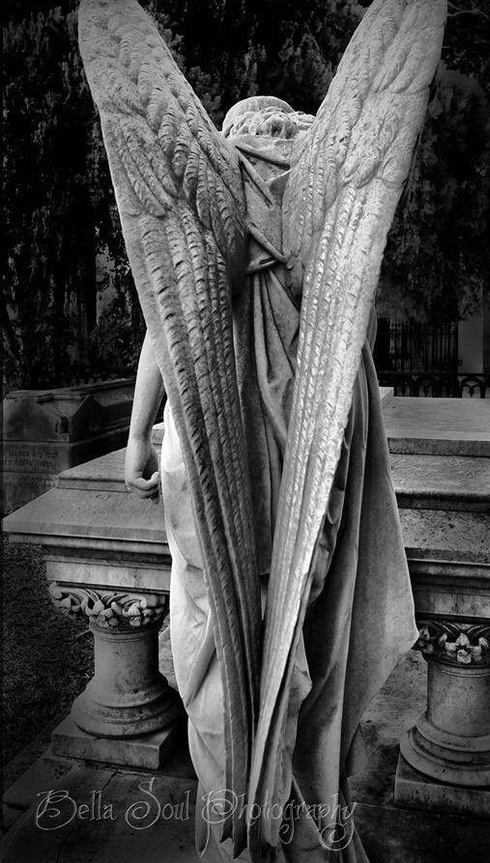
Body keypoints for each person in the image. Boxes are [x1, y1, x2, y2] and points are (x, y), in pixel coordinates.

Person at [125, 96, 418, 861]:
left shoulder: (221, 204)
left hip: (238, 459)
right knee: (282, 646)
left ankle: (246, 829)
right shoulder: (318, 209)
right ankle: (282, 826)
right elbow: (356, 335)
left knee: (235, 647)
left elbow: (166, 321)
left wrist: (135, 435)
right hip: (285, 454)